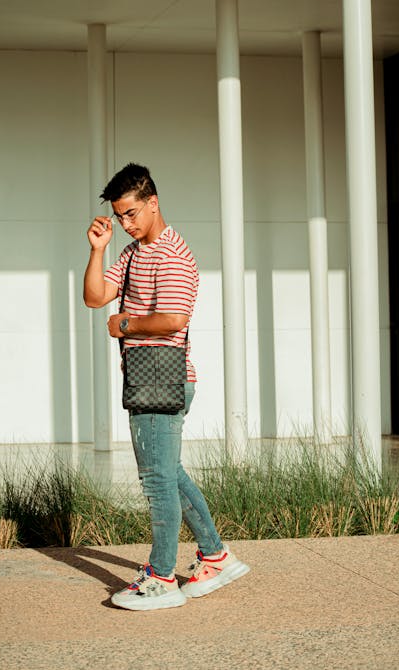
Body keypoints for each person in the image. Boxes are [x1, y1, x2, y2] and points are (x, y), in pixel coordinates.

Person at [83, 162, 249, 611]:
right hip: (147, 376)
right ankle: (216, 557)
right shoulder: (134, 252)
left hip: (162, 377)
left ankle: (160, 578)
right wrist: (98, 250)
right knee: (170, 474)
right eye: (119, 216)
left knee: (156, 480)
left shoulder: (172, 254)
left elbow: (175, 319)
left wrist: (125, 323)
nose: (124, 223)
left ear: (152, 202)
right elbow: (96, 296)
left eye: (131, 213)